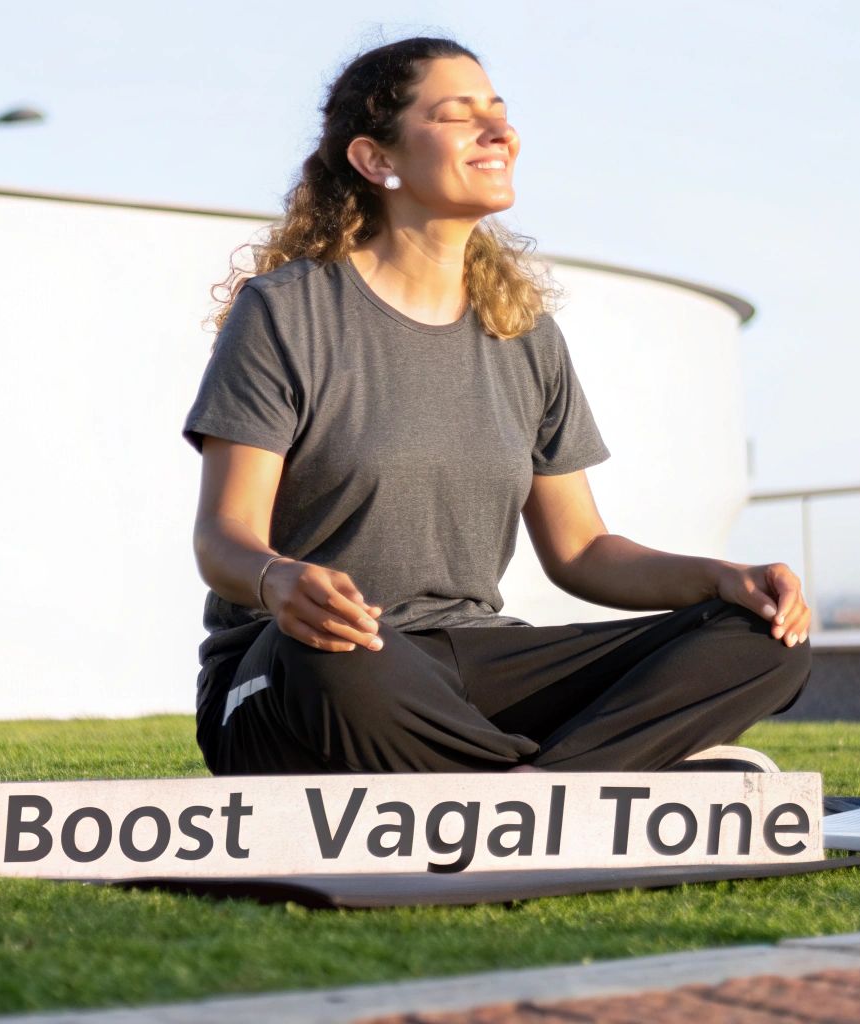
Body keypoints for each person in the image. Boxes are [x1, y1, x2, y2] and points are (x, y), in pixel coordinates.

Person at [181, 36, 812, 776]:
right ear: (376, 160)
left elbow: (581, 552)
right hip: (308, 673)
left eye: (499, 113)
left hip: (472, 665)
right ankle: (586, 781)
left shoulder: (522, 332)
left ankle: (526, 789)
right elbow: (222, 538)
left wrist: (721, 578)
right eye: (458, 115)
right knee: (328, 658)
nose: (498, 132)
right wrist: (277, 580)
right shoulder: (288, 313)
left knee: (760, 638)